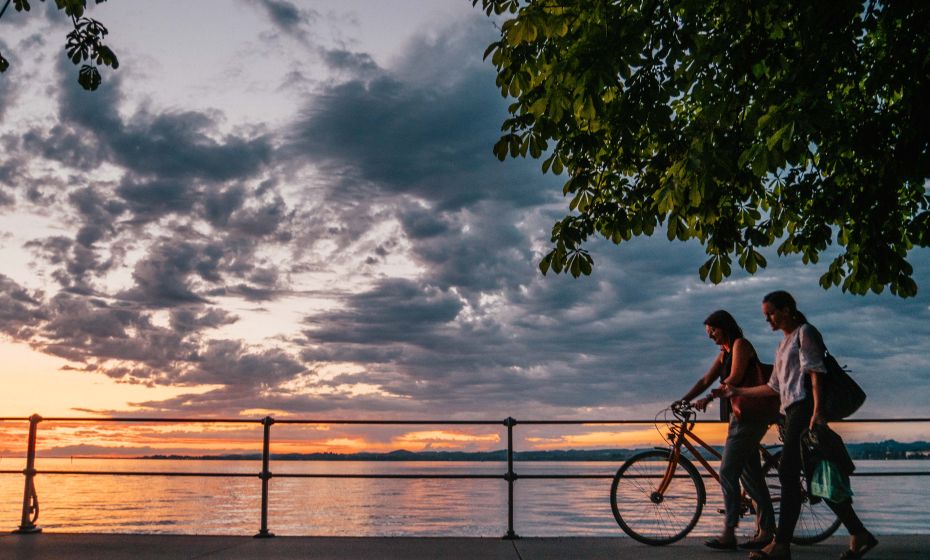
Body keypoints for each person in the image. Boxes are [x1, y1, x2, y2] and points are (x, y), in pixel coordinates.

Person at [723, 291, 878, 560]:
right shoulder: (783, 344)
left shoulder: (806, 333)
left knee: (788, 474)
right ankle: (859, 533)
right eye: (765, 315)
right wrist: (738, 391)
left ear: (787, 310)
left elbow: (816, 373)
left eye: (771, 313)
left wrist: (817, 413)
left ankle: (781, 545)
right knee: (817, 475)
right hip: (791, 413)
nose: (768, 319)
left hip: (804, 410)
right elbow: (773, 388)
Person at [677, 310, 776, 551]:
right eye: (708, 332)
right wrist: (684, 400)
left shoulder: (741, 345)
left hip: (749, 417)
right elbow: (705, 379)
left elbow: (735, 377)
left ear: (725, 327)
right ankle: (766, 530)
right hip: (739, 417)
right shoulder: (725, 352)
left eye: (713, 330)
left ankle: (729, 532)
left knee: (728, 471)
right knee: (750, 475)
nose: (710, 335)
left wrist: (708, 398)